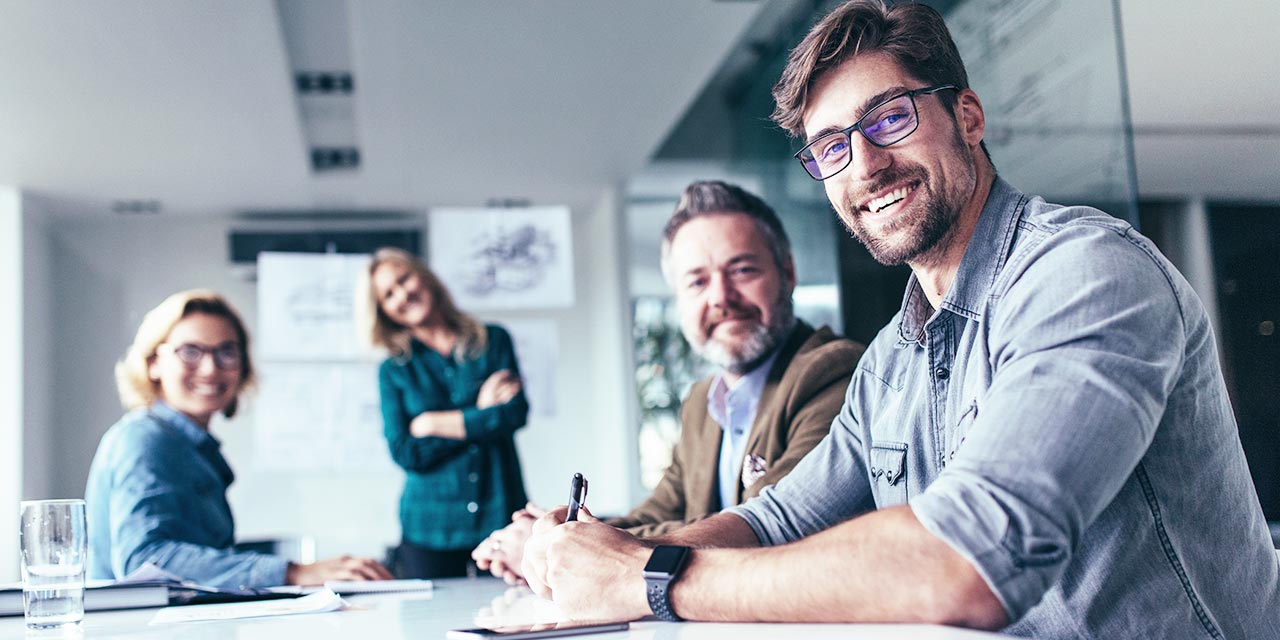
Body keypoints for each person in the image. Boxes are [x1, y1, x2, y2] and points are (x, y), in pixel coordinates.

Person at [520, 2, 1280, 637]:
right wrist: (599, 556)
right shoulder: (892, 359)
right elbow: (778, 519)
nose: (866, 166)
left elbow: (970, 563)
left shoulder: (1085, 273)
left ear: (968, 114)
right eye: (832, 148)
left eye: (889, 118)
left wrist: (650, 581)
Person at [470, 181, 865, 583]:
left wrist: (562, 548)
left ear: (788, 272)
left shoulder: (831, 371)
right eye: (697, 281)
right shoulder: (701, 402)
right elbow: (661, 512)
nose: (720, 297)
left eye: (742, 270)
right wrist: (563, 535)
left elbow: (767, 525)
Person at [86, 289, 392, 589]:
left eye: (227, 352)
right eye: (190, 351)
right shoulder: (146, 439)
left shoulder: (191, 447)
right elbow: (144, 561)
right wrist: (292, 573)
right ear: (153, 362)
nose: (210, 368)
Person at [362, 247, 529, 579]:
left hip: (500, 513)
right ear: (383, 311)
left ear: (423, 277)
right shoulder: (393, 369)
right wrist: (481, 412)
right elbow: (406, 451)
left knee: (515, 616)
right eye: (388, 294)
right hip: (429, 528)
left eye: (403, 279)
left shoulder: (493, 341)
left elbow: (514, 414)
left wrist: (432, 423)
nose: (402, 294)